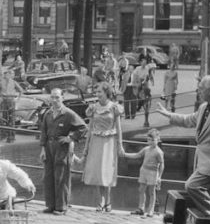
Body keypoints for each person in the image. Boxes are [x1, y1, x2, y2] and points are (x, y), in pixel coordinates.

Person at [157, 74, 210, 217]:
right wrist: (168, 115)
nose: (199, 91)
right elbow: (188, 120)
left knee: (192, 186)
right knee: (209, 193)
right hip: (203, 160)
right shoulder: (204, 107)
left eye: (201, 88)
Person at [38, 88, 86, 215]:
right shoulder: (47, 114)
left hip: (61, 148)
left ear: (62, 98)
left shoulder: (68, 114)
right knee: (48, 177)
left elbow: (83, 127)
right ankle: (51, 205)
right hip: (49, 147)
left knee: (61, 177)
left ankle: (61, 207)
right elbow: (44, 132)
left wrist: (70, 138)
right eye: (52, 97)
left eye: (57, 97)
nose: (54, 100)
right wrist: (43, 149)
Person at [81, 83, 124, 213]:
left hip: (109, 142)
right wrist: (86, 146)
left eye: (99, 92)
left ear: (106, 92)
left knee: (107, 172)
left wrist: (120, 145)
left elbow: (119, 128)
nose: (97, 94)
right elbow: (90, 128)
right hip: (96, 141)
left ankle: (108, 200)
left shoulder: (114, 107)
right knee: (97, 172)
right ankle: (100, 201)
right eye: (96, 92)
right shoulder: (93, 108)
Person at [122, 129, 165, 217]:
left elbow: (162, 164)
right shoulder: (146, 149)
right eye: (149, 140)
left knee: (152, 192)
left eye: (153, 140)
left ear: (158, 139)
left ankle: (151, 210)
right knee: (141, 189)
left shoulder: (159, 152)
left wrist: (159, 176)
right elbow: (137, 155)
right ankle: (141, 208)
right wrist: (125, 154)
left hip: (153, 172)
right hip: (144, 170)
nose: (151, 142)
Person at [0, 68, 22, 141]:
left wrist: (17, 100)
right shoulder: (1, 82)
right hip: (3, 101)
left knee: (11, 119)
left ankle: (11, 136)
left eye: (8, 74)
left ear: (10, 75)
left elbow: (21, 90)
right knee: (3, 118)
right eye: (6, 74)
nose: (7, 75)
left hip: (11, 101)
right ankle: (3, 135)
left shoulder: (14, 82)